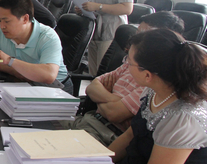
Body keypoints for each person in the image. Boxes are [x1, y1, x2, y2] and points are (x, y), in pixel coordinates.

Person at [41, 28, 207, 164]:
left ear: (148, 74)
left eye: (129, 62)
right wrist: (96, 161)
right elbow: (130, 135)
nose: (125, 65)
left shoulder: (183, 118)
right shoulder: (154, 92)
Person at [66, 11, 186, 145]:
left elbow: (113, 114)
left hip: (107, 134)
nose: (137, 38)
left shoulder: (155, 81)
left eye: (144, 33)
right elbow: (92, 87)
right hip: (91, 119)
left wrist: (102, 97)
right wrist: (114, 99)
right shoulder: (130, 63)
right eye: (138, 32)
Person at [0, 0, 71, 93]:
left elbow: (49, 75)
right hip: (22, 83)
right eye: (0, 20)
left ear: (25, 19)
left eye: (7, 21)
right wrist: (16, 71)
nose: (2, 26)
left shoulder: (47, 36)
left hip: (56, 88)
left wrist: (10, 61)